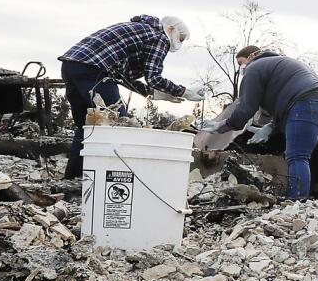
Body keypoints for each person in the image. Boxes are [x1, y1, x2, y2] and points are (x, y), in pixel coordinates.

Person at [58, 14, 209, 180]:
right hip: (96, 70)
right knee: (119, 124)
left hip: (71, 65)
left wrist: (158, 94)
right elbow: (154, 78)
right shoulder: (159, 36)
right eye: (179, 38)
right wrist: (184, 91)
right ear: (171, 29)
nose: (178, 43)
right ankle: (114, 179)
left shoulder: (140, 31)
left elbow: (124, 78)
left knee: (87, 127)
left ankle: (72, 179)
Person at [209, 45, 318, 200]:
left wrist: (224, 125)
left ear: (253, 56)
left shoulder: (255, 67)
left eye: (241, 63)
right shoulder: (281, 66)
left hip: (307, 104)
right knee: (303, 156)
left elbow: (246, 108)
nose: (241, 68)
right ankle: (314, 199)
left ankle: (296, 202)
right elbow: (286, 103)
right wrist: (270, 126)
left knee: (297, 157)